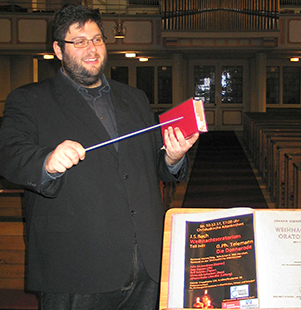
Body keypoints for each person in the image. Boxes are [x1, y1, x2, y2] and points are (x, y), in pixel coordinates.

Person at [0, 4, 198, 310]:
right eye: (79, 41)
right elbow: (8, 153)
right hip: (76, 265)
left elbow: (149, 165)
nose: (91, 49)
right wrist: (46, 161)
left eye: (97, 39)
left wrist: (172, 158)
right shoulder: (29, 99)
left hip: (146, 263)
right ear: (58, 48)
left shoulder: (134, 98)